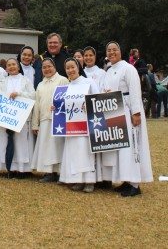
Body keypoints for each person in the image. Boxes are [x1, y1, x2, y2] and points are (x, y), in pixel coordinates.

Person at [101, 41, 153, 196]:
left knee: (132, 147)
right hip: (114, 111)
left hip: (128, 109)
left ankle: (135, 184)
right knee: (121, 149)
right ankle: (126, 179)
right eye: (108, 50)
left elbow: (135, 90)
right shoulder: (109, 71)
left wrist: (136, 113)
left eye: (114, 50)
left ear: (120, 51)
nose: (111, 53)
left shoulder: (128, 69)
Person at [59, 58, 100, 193]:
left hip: (86, 125)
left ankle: (89, 181)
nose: (70, 70)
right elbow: (63, 106)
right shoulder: (66, 86)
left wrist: (89, 105)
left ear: (78, 67)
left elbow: (97, 99)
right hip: (72, 126)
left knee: (85, 152)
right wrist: (56, 108)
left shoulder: (88, 82)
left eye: (72, 67)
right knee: (74, 153)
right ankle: (77, 179)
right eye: (67, 68)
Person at [0, 57, 35, 178]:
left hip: (20, 117)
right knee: (5, 141)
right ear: (6, 68)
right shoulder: (3, 82)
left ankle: (21, 169)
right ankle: (8, 168)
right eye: (9, 65)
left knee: (20, 142)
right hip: (5, 116)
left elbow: (33, 95)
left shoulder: (26, 80)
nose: (11, 67)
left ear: (18, 66)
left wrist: (19, 94)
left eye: (14, 64)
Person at [31, 58, 69, 182]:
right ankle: (49, 172)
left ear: (54, 67)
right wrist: (35, 124)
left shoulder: (62, 80)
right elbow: (37, 104)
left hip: (58, 120)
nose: (47, 69)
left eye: (49, 66)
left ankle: (59, 172)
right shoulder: (40, 84)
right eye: (44, 67)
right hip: (44, 120)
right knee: (46, 147)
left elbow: (67, 99)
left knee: (57, 146)